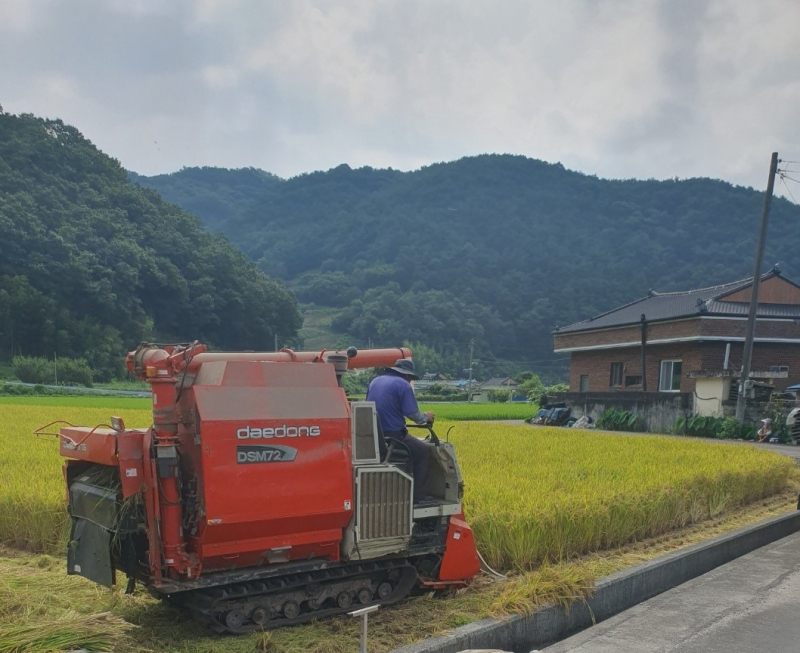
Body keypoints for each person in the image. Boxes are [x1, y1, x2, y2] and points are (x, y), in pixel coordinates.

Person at [366, 358, 435, 500]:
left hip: (374, 435)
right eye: (411, 379)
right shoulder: (403, 385)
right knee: (424, 452)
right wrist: (426, 417)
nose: (410, 381)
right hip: (393, 436)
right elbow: (414, 415)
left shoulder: (375, 381)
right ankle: (419, 497)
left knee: (411, 452)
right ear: (407, 375)